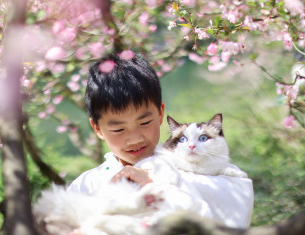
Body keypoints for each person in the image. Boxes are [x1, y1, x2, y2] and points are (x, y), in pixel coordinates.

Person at [68, 52, 254, 229]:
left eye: (145, 122)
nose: (134, 138)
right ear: (97, 128)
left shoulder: (206, 167)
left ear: (160, 113)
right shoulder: (85, 186)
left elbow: (235, 207)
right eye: (118, 129)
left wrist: (154, 185)